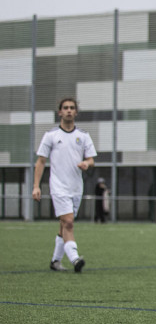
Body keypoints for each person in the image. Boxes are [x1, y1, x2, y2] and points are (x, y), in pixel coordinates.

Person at [32, 97, 97, 272]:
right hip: (58, 186)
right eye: (65, 108)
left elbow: (91, 159)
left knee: (64, 224)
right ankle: (75, 259)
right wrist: (36, 186)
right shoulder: (51, 136)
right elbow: (40, 162)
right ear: (60, 112)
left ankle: (55, 261)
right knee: (68, 222)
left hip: (76, 188)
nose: (68, 110)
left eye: (72, 108)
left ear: (76, 112)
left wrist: (86, 163)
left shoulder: (83, 136)